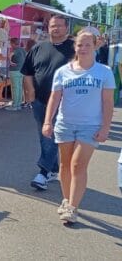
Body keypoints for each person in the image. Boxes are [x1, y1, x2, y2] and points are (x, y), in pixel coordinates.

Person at [42, 29, 114, 224]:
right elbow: (55, 97)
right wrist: (48, 121)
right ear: (75, 47)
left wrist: (106, 127)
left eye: (87, 44)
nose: (83, 48)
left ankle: (72, 208)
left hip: (90, 126)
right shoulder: (63, 72)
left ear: (94, 46)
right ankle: (67, 200)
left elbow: (108, 102)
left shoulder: (104, 72)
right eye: (79, 45)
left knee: (77, 164)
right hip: (65, 124)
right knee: (65, 165)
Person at [21, 15, 75, 191]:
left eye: (59, 26)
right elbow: (27, 72)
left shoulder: (74, 49)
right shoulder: (38, 48)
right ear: (48, 28)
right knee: (43, 135)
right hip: (39, 100)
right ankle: (53, 169)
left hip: (64, 102)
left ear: (66, 28)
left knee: (50, 135)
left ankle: (43, 173)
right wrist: (30, 93)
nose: (56, 29)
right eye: (53, 26)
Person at [7, 38, 26, 110]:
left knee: (15, 88)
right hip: (21, 70)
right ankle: (18, 104)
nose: (10, 45)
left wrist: (10, 61)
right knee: (20, 87)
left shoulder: (14, 50)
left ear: (13, 43)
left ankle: (15, 105)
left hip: (14, 70)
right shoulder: (23, 50)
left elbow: (10, 55)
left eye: (11, 43)